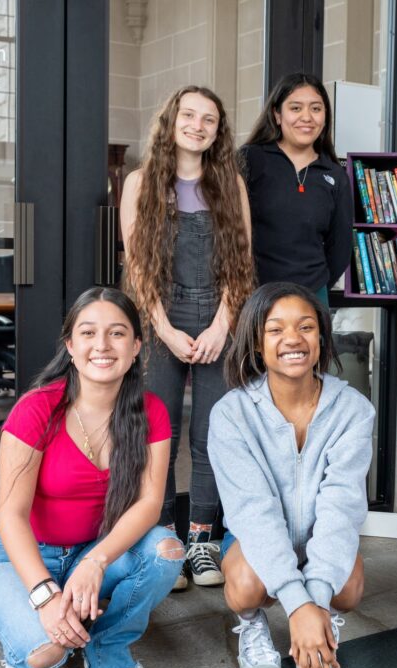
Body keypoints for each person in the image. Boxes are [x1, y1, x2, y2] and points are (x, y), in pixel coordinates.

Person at [0, 287, 182, 668]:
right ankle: (34, 635)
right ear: (70, 345)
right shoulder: (36, 409)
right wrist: (46, 596)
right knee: (46, 655)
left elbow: (149, 503)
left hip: (92, 550)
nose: (102, 345)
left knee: (167, 551)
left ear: (136, 346)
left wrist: (96, 561)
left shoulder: (151, 411)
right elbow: (11, 514)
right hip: (18, 555)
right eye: (88, 333)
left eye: (117, 334)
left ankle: (107, 645)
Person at [208, 282, 374, 668]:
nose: (293, 340)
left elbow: (342, 508)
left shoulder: (353, 410)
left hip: (320, 535)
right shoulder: (231, 414)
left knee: (348, 588)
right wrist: (295, 603)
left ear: (321, 337)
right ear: (256, 343)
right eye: (275, 329)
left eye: (306, 327)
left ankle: (320, 623)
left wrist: (314, 602)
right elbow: (253, 512)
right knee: (247, 585)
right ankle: (251, 625)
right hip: (256, 539)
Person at [121, 85, 255, 591]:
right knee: (161, 435)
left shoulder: (230, 185)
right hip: (161, 318)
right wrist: (163, 329)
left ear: (218, 133)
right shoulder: (140, 183)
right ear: (171, 119)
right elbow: (138, 269)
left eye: (210, 120)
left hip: (220, 315)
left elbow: (241, 265)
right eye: (190, 115)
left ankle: (202, 540)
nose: (198, 125)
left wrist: (223, 325)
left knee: (211, 435)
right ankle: (163, 538)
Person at [238, 73, 353, 304]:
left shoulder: (335, 174)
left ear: (325, 116)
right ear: (277, 115)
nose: (307, 117)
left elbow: (340, 249)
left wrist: (315, 285)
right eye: (296, 108)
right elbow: (229, 229)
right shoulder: (251, 159)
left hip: (312, 295)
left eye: (316, 109)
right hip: (254, 294)